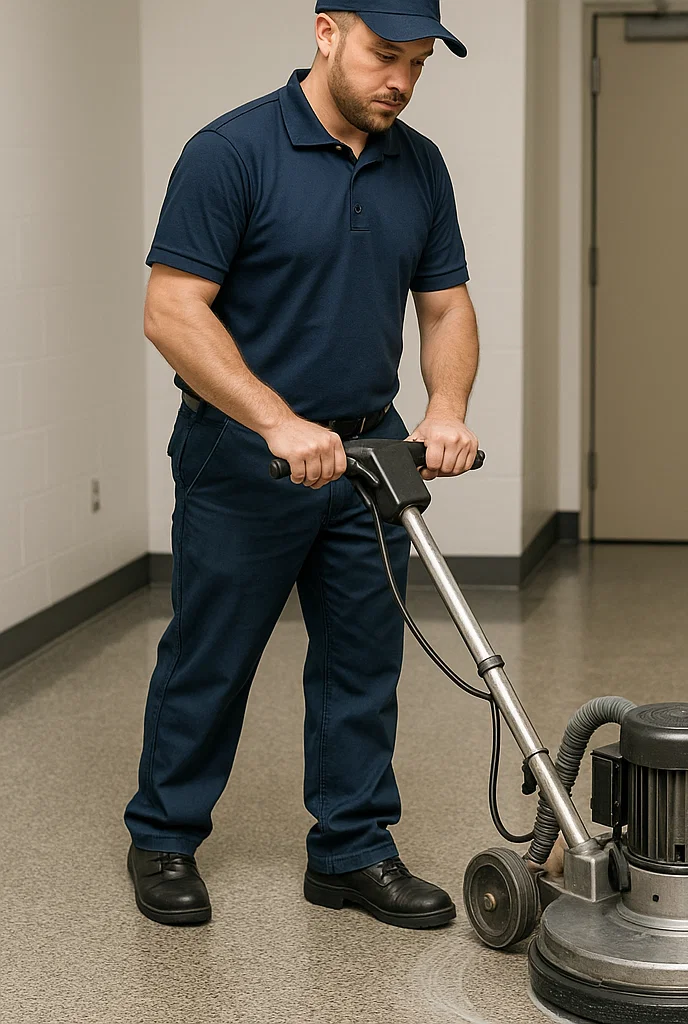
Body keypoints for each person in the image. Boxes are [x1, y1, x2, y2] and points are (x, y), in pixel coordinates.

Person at [125, 1, 480, 930]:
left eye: (417, 64)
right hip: (244, 452)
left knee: (364, 659)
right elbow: (172, 311)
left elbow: (444, 307)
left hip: (370, 448)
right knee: (214, 653)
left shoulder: (420, 165)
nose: (399, 80)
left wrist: (445, 410)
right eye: (383, 55)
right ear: (327, 34)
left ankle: (352, 850)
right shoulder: (231, 152)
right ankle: (163, 836)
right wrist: (276, 421)